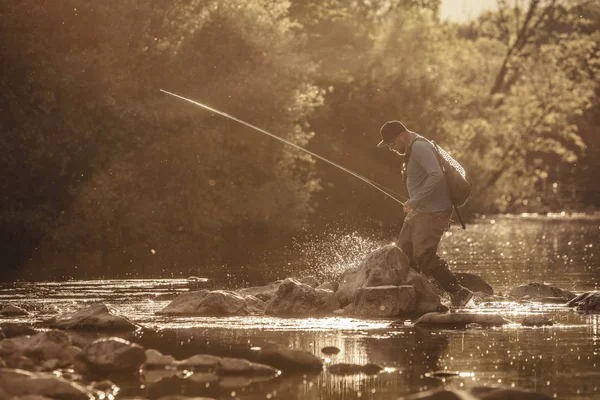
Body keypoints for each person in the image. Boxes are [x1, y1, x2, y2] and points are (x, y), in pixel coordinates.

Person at [377, 120, 473, 307]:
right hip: (420, 211)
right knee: (402, 254)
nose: (391, 148)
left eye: (392, 144)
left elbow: (436, 175)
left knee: (423, 255)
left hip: (434, 211)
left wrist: (415, 200)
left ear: (402, 136)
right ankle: (414, 295)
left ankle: (459, 293)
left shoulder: (420, 147)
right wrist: (415, 203)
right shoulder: (412, 147)